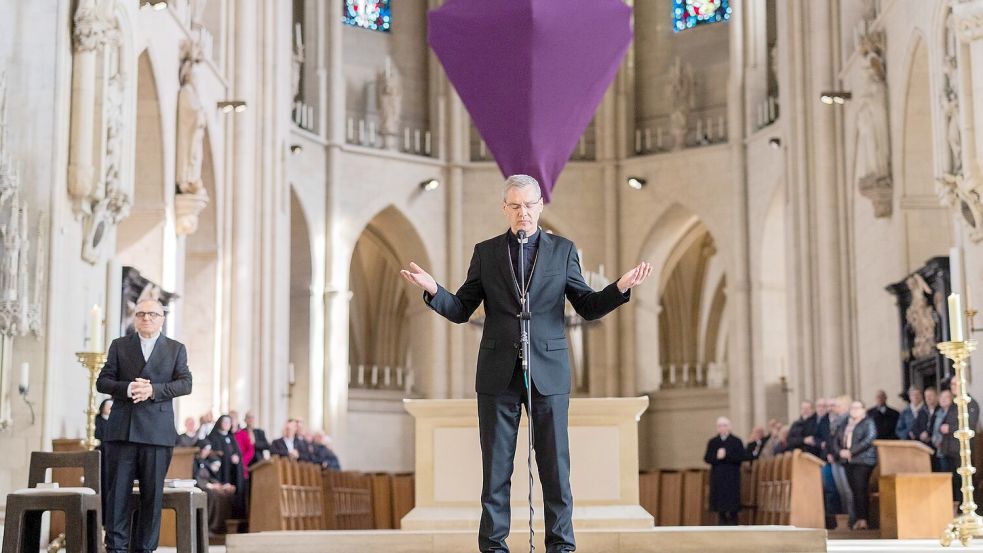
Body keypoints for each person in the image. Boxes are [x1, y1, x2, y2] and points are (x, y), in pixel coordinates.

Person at [400, 174, 651, 553]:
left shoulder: (563, 250)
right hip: (498, 374)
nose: (524, 213)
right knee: (496, 472)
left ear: (540, 206)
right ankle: (494, 547)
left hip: (548, 372)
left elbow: (585, 304)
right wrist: (435, 290)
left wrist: (620, 288)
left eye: (530, 205)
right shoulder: (485, 253)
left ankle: (561, 546)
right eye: (515, 206)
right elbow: (461, 309)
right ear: (505, 209)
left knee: (555, 469)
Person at [96, 299, 192, 553]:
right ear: (134, 318)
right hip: (122, 431)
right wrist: (127, 388)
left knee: (152, 497)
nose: (146, 318)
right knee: (117, 496)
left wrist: (153, 390)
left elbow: (186, 383)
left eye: (152, 314)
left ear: (162, 318)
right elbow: (103, 382)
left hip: (157, 433)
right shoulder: (120, 345)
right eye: (140, 314)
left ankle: (145, 549)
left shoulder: (175, 348)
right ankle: (115, 548)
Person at [839, 400, 877, 530]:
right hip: (848, 461)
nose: (854, 410)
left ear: (863, 410)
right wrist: (840, 451)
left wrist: (852, 451)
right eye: (852, 408)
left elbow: (870, 439)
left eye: (857, 408)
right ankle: (857, 519)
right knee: (854, 491)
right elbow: (837, 438)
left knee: (861, 489)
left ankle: (864, 519)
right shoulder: (846, 424)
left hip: (864, 460)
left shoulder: (868, 422)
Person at [703, 417, 745, 525]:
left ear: (729, 427)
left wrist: (727, 455)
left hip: (732, 476)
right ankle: (721, 524)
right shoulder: (713, 442)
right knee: (720, 506)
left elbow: (741, 457)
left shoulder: (736, 441)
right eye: (720, 426)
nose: (722, 428)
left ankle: (734, 525)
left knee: (732, 505)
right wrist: (717, 456)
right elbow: (707, 458)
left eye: (725, 425)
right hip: (718, 476)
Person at [944, 379, 980, 502]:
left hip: (963, 451)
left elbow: (969, 425)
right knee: (954, 483)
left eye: (954, 384)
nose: (951, 386)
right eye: (951, 384)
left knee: (966, 483)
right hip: (950, 451)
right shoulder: (953, 404)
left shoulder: (971, 403)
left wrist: (949, 428)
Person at [206, 414, 246, 519]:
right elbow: (213, 455)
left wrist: (236, 457)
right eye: (225, 422)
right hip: (221, 473)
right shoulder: (213, 437)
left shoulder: (230, 437)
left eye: (229, 423)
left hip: (232, 472)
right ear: (220, 423)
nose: (227, 425)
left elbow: (237, 452)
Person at [826, 395, 855, 526]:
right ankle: (845, 520)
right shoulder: (836, 421)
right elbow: (832, 440)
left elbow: (843, 441)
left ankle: (852, 519)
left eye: (837, 405)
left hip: (844, 459)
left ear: (844, 406)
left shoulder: (848, 420)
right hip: (836, 458)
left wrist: (837, 451)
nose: (834, 408)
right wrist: (831, 452)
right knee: (841, 491)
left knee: (848, 491)